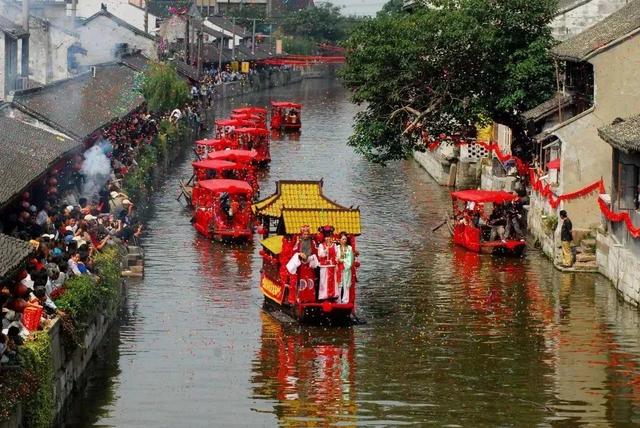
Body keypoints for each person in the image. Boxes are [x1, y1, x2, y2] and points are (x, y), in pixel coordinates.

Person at [317, 225, 337, 300]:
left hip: (332, 265)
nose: (328, 238)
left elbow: (337, 254)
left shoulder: (334, 245)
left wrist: (337, 260)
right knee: (324, 280)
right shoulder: (321, 245)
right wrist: (326, 250)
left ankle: (333, 295)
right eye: (326, 237)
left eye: (329, 237)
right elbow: (320, 254)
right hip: (324, 266)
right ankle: (323, 296)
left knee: (333, 280)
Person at [335, 232, 354, 304]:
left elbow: (351, 259)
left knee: (346, 284)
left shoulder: (349, 248)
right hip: (339, 267)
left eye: (345, 239)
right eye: (343, 239)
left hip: (346, 268)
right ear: (340, 240)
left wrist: (343, 261)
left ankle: (345, 300)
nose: (344, 240)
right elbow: (335, 257)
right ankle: (338, 299)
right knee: (339, 284)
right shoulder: (337, 248)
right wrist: (337, 260)